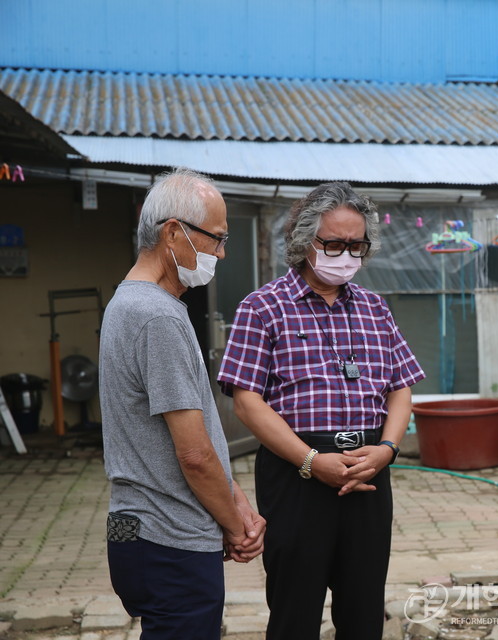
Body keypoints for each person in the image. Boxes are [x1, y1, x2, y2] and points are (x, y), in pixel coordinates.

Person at [217, 182, 425, 640]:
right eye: (334, 243)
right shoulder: (262, 308)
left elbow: (401, 388)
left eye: (357, 245)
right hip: (297, 473)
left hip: (368, 471)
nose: (346, 254)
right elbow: (248, 402)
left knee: (364, 608)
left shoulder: (375, 309)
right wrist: (311, 461)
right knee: (295, 608)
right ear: (303, 241)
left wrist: (387, 449)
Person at [99, 168, 266, 640]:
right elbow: (194, 454)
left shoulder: (128, 303)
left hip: (139, 531)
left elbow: (200, 434)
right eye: (217, 239)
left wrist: (236, 499)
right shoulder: (157, 317)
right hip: (169, 538)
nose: (222, 253)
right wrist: (237, 527)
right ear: (173, 232)